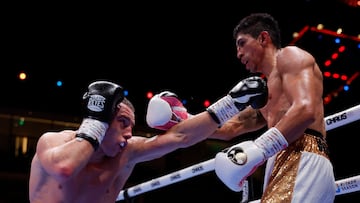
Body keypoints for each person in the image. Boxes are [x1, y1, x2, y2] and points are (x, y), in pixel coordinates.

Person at [29, 77, 268, 203]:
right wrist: (95, 123)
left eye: (132, 126)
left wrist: (232, 103)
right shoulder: (52, 141)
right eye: (123, 122)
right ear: (102, 119)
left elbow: (180, 136)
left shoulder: (127, 152)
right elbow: (64, 168)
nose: (129, 134)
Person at [209, 13, 336, 202]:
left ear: (263, 38)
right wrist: (183, 122)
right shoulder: (264, 93)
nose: (238, 53)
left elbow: (306, 110)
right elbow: (230, 128)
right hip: (284, 158)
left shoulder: (290, 55)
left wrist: (259, 148)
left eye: (242, 43)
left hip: (301, 155)